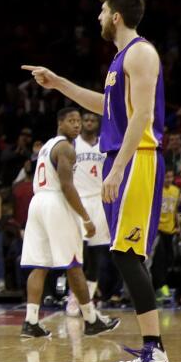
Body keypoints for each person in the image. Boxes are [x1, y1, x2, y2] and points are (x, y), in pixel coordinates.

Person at [24, 0, 170, 362]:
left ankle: (155, 354)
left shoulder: (140, 52)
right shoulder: (119, 60)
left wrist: (119, 167)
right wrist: (58, 83)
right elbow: (104, 107)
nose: (99, 17)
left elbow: (141, 116)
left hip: (137, 159)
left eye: (103, 11)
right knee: (125, 253)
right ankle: (151, 352)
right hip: (124, 158)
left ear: (117, 16)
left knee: (126, 253)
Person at [19, 108, 119, 339]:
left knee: (39, 264)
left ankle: (31, 321)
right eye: (71, 121)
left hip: (37, 203)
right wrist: (85, 217)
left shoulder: (47, 146)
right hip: (55, 201)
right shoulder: (65, 147)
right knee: (73, 263)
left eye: (78, 121)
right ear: (59, 123)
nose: (77, 125)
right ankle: (91, 319)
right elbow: (67, 186)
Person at [65, 112, 110, 317]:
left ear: (98, 124)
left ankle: (88, 299)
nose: (89, 122)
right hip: (79, 201)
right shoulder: (72, 145)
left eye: (93, 120)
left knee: (96, 255)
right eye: (86, 120)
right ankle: (74, 296)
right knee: (77, 253)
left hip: (99, 201)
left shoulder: (106, 144)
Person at [151, 174, 180, 300]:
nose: (168, 179)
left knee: (169, 260)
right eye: (166, 177)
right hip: (158, 230)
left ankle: (163, 286)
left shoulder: (176, 190)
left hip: (171, 230)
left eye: (170, 177)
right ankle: (159, 287)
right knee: (159, 260)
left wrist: (179, 225)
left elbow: (176, 210)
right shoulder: (156, 188)